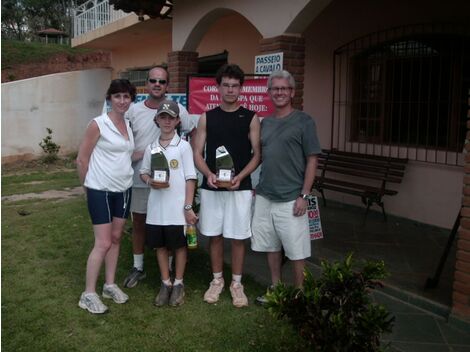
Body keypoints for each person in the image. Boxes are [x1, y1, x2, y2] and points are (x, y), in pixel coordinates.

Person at [193, 64, 261, 308]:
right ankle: (217, 280)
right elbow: (197, 153)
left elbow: (257, 155)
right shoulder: (207, 117)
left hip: (239, 188)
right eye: (226, 85)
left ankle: (237, 283)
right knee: (215, 236)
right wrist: (208, 174)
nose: (231, 90)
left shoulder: (251, 117)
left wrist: (240, 177)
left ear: (241, 88)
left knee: (238, 237)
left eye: (235, 85)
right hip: (213, 188)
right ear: (218, 87)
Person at [123, 66, 197, 288]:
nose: (157, 84)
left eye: (162, 81)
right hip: (141, 178)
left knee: (173, 226)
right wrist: (131, 154)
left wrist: (194, 154)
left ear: (167, 85)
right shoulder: (133, 111)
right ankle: (138, 267)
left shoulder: (179, 110)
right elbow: (121, 137)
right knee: (139, 222)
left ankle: (173, 270)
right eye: (153, 80)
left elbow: (194, 129)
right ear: (147, 83)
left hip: (172, 185)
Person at [251, 70, 321, 303]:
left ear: (292, 92)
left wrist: (304, 194)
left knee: (296, 249)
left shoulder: (304, 121)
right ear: (269, 93)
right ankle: (276, 289)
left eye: (284, 89)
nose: (279, 93)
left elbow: (312, 159)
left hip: (292, 197)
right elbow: (260, 157)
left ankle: (299, 293)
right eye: (275, 89)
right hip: (265, 195)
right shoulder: (266, 122)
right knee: (271, 246)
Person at [77, 79, 136, 314]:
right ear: (109, 99)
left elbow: (126, 156)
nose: (122, 101)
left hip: (123, 189)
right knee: (102, 242)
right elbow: (82, 159)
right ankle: (88, 294)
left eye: (126, 97)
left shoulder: (128, 125)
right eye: (117, 96)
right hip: (99, 190)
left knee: (116, 237)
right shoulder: (98, 124)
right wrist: (87, 188)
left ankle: (109, 285)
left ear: (131, 100)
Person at [139, 100, 198, 307]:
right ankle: (165, 283)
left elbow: (191, 177)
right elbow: (143, 172)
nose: (166, 121)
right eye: (162, 117)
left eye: (170, 118)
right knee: (161, 246)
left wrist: (188, 207)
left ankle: (179, 283)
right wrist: (149, 181)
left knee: (180, 246)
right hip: (156, 210)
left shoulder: (183, 147)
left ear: (177, 121)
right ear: (156, 120)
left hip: (177, 209)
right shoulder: (151, 148)